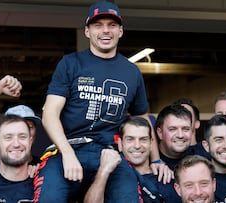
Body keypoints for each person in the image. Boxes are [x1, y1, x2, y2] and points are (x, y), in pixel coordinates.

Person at [33, 1, 168, 202]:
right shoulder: (70, 63)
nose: (105, 31)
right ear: (87, 31)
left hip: (110, 153)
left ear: (120, 31)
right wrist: (67, 153)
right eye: (98, 25)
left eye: (112, 25)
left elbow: (142, 119)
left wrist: (155, 158)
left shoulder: (131, 71)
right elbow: (50, 114)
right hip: (68, 148)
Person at [85, 116, 176, 203]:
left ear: (151, 143)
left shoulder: (165, 177)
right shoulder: (109, 175)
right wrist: (103, 171)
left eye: (143, 139)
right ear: (120, 144)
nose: (137, 146)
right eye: (130, 139)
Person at [156, 104, 193, 170]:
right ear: (160, 133)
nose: (180, 135)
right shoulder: (149, 161)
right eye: (172, 129)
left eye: (186, 129)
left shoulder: (200, 158)